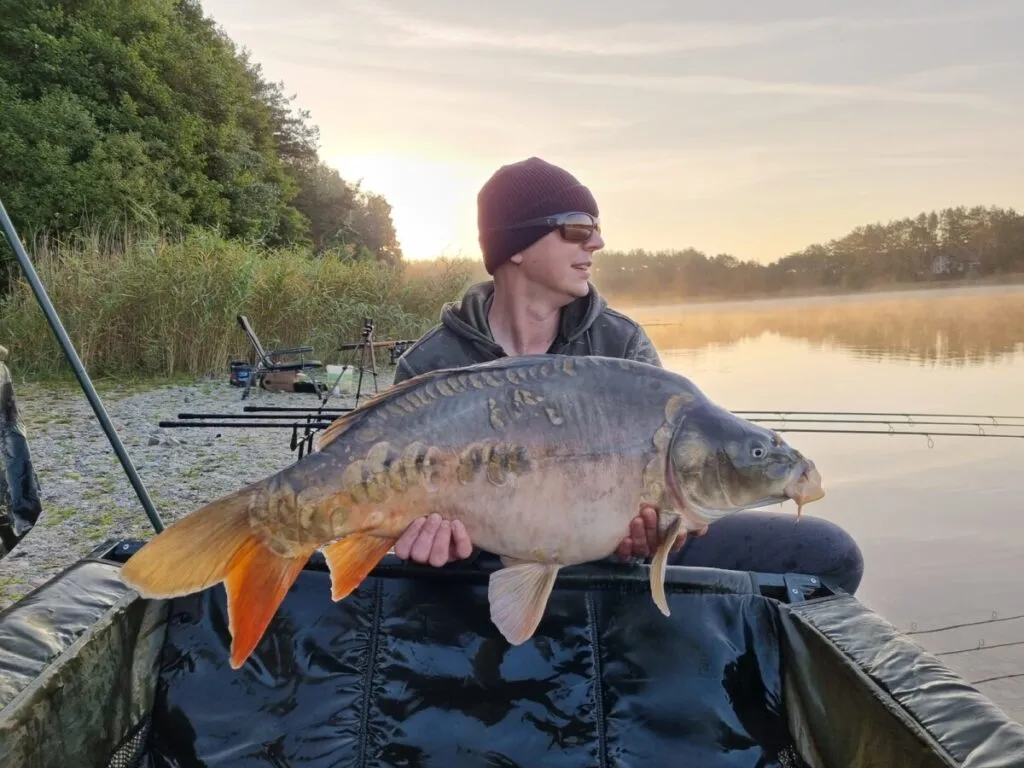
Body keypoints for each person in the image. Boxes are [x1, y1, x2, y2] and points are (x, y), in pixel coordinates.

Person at [389, 157, 864, 595]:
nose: (597, 242)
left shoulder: (623, 348)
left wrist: (658, 540)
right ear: (516, 247)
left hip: (606, 559)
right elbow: (391, 509)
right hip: (478, 567)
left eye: (596, 230)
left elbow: (665, 509)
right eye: (577, 230)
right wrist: (416, 545)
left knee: (830, 553)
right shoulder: (432, 363)